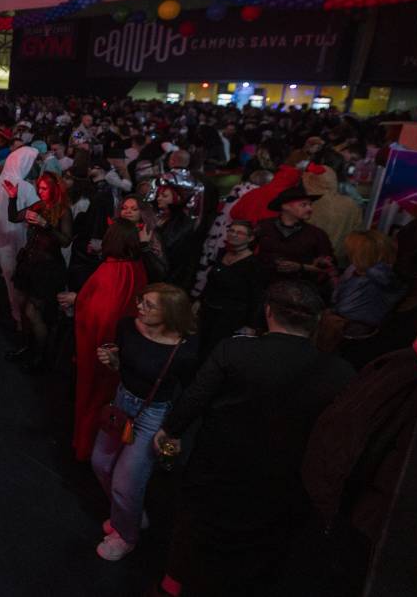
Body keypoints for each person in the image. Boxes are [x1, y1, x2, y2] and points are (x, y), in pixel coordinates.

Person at [151, 281, 355, 597]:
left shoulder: (235, 350)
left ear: (268, 311)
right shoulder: (341, 372)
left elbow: (196, 397)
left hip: (218, 466)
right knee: (259, 546)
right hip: (283, 477)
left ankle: (173, 585)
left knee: (197, 527)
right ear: (315, 321)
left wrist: (170, 431)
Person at [90, 284, 199, 561]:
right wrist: (112, 359)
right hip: (122, 402)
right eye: (141, 300)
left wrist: (173, 431)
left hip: (153, 415)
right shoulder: (128, 327)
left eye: (149, 305)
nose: (140, 307)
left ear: (170, 313)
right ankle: (129, 514)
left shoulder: (184, 349)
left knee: (125, 483)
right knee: (101, 463)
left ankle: (126, 536)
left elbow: (190, 392)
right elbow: (123, 367)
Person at [61, 222, 149, 462]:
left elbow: (98, 314)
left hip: (101, 347)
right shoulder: (136, 267)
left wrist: (79, 300)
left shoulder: (110, 271)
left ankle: (86, 446)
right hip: (124, 346)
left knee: (93, 395)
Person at [6, 170, 72, 371]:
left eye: (44, 188)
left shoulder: (63, 211)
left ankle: (41, 357)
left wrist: (46, 225)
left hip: (48, 269)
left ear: (54, 189)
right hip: (30, 265)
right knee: (25, 310)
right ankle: (29, 348)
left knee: (33, 311)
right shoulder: (38, 205)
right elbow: (13, 217)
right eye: (39, 188)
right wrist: (13, 198)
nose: (40, 191)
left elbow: (66, 240)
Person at [0, 146, 39, 328]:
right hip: (12, 240)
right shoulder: (26, 187)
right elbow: (36, 215)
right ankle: (18, 319)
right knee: (14, 281)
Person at [196, 220, 265, 362]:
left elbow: (257, 297)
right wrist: (199, 300)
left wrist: (251, 325)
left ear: (250, 238)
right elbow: (211, 282)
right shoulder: (222, 253)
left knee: (215, 353)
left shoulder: (254, 264)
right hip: (209, 311)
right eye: (231, 231)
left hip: (230, 318)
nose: (233, 234)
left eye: (239, 233)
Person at [254, 184, 335, 288]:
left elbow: (328, 267)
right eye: (304, 205)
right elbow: (246, 252)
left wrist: (301, 267)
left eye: (310, 205)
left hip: (301, 289)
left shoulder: (316, 234)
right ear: (285, 206)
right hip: (264, 287)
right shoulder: (264, 227)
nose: (310, 209)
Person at [332, 229, 405, 332]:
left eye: (351, 251)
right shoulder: (361, 270)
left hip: (354, 330)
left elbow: (345, 308)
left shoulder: (375, 278)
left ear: (361, 255)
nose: (347, 254)